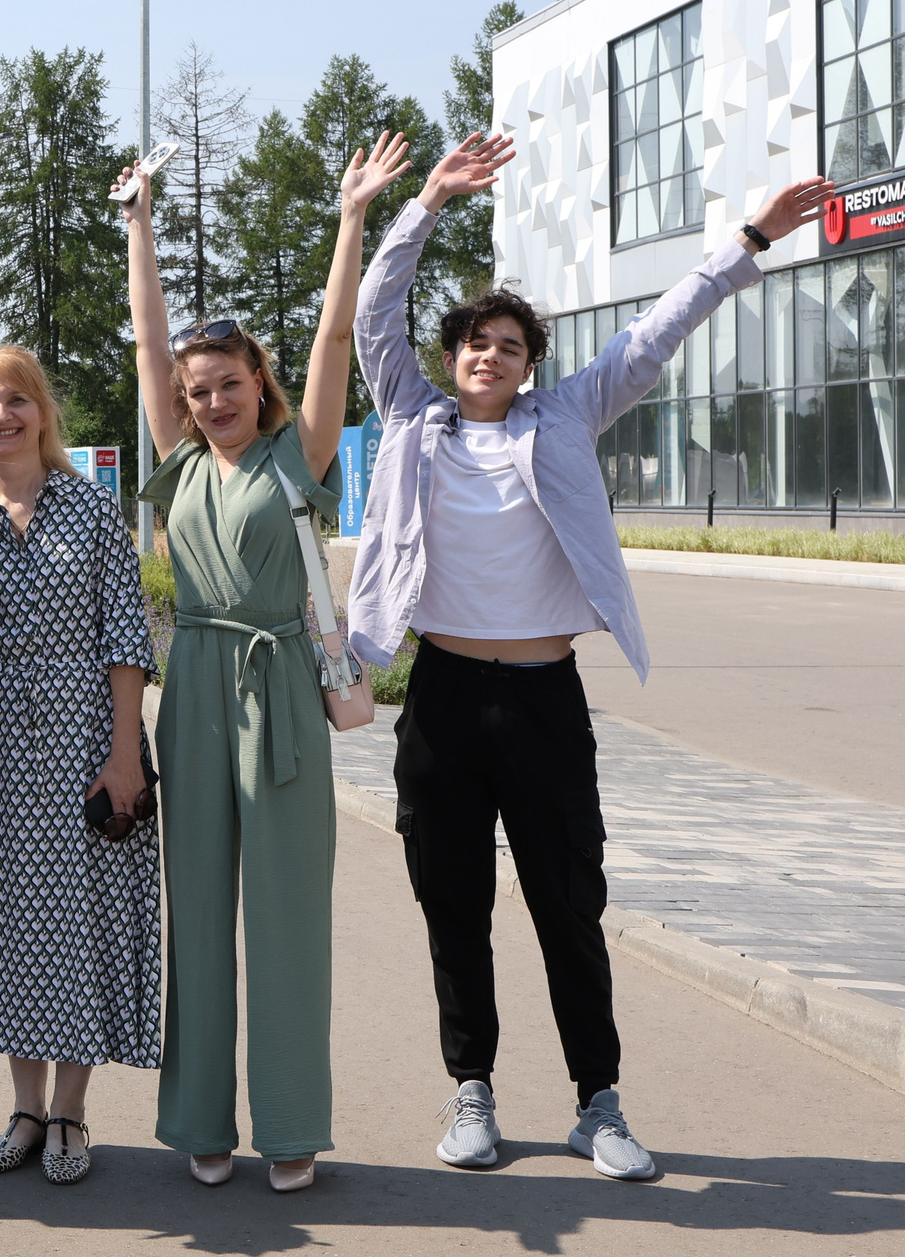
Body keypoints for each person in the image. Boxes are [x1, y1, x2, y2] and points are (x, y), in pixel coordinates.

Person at [350, 147, 835, 1182]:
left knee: (568, 898)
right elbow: (371, 315)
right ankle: (470, 1089)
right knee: (452, 902)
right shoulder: (407, 420)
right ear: (450, 358)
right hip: (441, 694)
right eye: (475, 343)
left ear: (531, 363)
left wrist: (750, 239)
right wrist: (425, 203)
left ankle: (596, 1102)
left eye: (510, 345)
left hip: (540, 698)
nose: (490, 355)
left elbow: (659, 330)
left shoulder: (565, 416)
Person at [124, 132, 422, 1195]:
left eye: (230, 383)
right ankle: (201, 1116)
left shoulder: (301, 455)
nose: (211, 399)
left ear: (259, 385)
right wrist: (139, 226)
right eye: (198, 389)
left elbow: (335, 334)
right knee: (196, 917)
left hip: (283, 687)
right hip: (193, 686)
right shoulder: (172, 464)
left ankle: (290, 1123)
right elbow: (149, 343)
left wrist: (350, 221)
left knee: (288, 916)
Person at [0, 347, 156, 1186]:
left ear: (43, 412)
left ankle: (71, 1113)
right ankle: (24, 1110)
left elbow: (127, 638)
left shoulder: (90, 509)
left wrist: (126, 754)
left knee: (79, 920)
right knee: (13, 918)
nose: (1, 416)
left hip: (85, 733)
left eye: (17, 400)